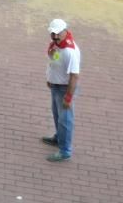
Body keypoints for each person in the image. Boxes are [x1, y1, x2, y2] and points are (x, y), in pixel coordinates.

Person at [43, 18, 81, 162]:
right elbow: (55, 61)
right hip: (55, 85)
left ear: (65, 31)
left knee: (65, 120)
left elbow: (74, 76)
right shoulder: (57, 45)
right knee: (56, 114)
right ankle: (59, 138)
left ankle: (65, 150)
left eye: (58, 33)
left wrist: (68, 97)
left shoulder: (70, 51)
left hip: (64, 89)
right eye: (53, 33)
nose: (56, 36)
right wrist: (49, 78)